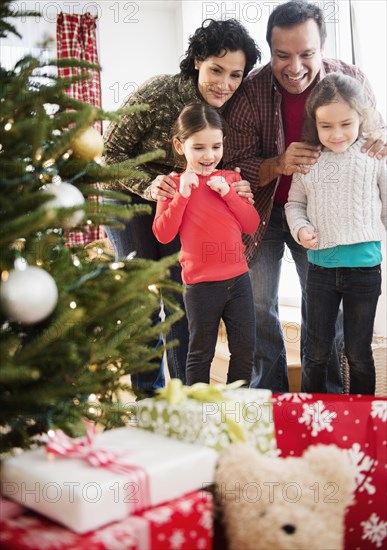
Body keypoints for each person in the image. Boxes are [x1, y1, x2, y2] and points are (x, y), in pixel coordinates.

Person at [221, 0, 386, 393]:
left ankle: (325, 399)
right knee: (260, 308)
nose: (295, 68)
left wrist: (381, 137)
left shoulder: (351, 79)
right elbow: (233, 164)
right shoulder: (249, 93)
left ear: (322, 47)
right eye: (282, 56)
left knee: (324, 313)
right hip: (262, 213)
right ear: (270, 50)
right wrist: (277, 164)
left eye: (306, 54)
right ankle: (273, 397)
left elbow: (373, 135)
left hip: (322, 218)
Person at [103, 19, 261, 394]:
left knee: (180, 297)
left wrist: (238, 186)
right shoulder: (158, 92)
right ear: (196, 61)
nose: (224, 84)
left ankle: (185, 396)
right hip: (129, 196)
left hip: (181, 201)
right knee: (142, 298)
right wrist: (148, 185)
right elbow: (108, 155)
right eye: (216, 70)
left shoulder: (233, 105)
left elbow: (225, 162)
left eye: (235, 75)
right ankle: (149, 397)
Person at [285, 73, 386, 394]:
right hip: (320, 272)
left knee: (358, 353)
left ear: (361, 118)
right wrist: (301, 228)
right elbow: (293, 204)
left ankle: (364, 420)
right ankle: (313, 418)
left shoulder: (374, 158)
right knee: (315, 353)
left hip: (364, 272)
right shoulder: (308, 161)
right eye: (326, 126)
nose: (337, 134)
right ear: (314, 124)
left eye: (346, 123)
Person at [153, 103, 260, 385]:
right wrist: (182, 196)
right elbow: (163, 234)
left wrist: (229, 194)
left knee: (245, 351)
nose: (209, 155)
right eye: (199, 147)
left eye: (216, 146)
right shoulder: (172, 185)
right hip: (200, 287)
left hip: (239, 281)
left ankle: (236, 412)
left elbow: (251, 224)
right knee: (200, 353)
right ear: (179, 145)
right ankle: (197, 417)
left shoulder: (232, 179)